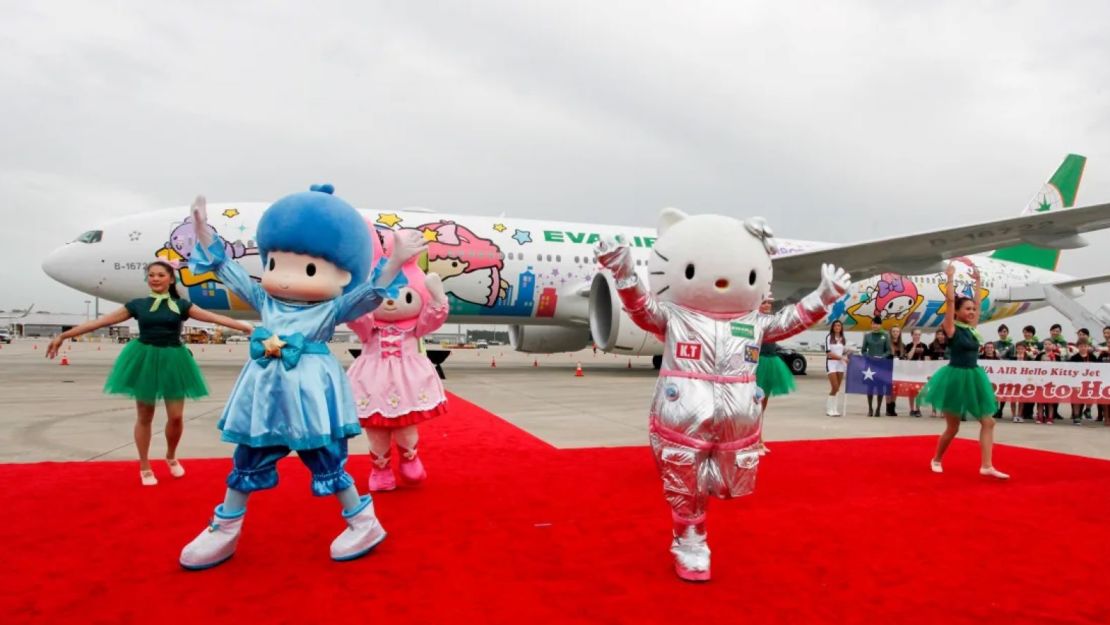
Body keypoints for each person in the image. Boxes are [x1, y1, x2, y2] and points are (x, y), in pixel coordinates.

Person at [178, 188, 426, 570]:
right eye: (275, 263)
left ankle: (363, 523)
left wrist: (395, 261)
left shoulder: (333, 308)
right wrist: (203, 232)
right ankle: (225, 529)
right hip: (265, 400)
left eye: (309, 269)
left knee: (325, 458)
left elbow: (370, 294)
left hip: (310, 399)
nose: (287, 279)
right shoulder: (266, 302)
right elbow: (226, 270)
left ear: (342, 274)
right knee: (249, 455)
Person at [46, 260, 252, 486]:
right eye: (151, 275)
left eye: (160, 275)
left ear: (171, 279)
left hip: (174, 359)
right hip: (144, 359)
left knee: (176, 417)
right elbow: (99, 322)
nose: (155, 278)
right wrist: (64, 336)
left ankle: (171, 456)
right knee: (145, 416)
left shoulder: (181, 305)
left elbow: (215, 318)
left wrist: (250, 328)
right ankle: (144, 465)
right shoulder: (137, 305)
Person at [346, 248, 450, 490]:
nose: (391, 302)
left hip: (407, 381)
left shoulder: (414, 326)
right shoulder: (369, 326)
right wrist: (356, 297)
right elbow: (356, 320)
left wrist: (438, 299)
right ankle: (380, 470)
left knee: (405, 425)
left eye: (404, 296)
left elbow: (431, 321)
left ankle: (409, 459)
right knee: (375, 428)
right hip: (373, 381)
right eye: (384, 297)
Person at [920, 263, 1008, 479]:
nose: (971, 312)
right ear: (957, 312)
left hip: (974, 376)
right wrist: (950, 278)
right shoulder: (951, 328)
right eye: (967, 309)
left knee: (989, 421)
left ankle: (986, 465)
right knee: (953, 428)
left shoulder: (972, 328)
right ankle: (937, 458)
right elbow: (949, 302)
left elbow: (979, 303)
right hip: (955, 378)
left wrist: (978, 282)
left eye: (973, 310)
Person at [754, 298, 797, 453]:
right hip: (758, 362)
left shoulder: (773, 320)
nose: (767, 305)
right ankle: (755, 440)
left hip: (772, 362)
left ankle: (759, 438)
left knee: (763, 405)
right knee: (754, 404)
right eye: (763, 302)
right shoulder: (753, 320)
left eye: (768, 303)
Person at [861, 314, 892, 417]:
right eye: (874, 324)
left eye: (877, 324)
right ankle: (870, 408)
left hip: (881, 365)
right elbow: (863, 350)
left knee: (880, 388)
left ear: (880, 325)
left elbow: (888, 350)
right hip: (870, 365)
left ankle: (878, 409)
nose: (875, 326)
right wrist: (868, 356)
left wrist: (882, 357)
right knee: (870, 388)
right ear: (871, 325)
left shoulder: (885, 336)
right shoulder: (867, 336)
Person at [1068, 339, 1096, 425]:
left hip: (1089, 381)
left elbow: (1098, 368)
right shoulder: (1074, 357)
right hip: (1077, 381)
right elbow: (1070, 370)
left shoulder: (1093, 357)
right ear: (1078, 347)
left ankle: (1086, 410)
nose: (1083, 348)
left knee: (1089, 397)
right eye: (1081, 346)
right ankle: (1076, 416)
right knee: (1076, 399)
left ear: (1088, 347)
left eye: (1085, 346)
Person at [825, 320, 849, 417]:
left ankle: (834, 409)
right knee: (834, 386)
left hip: (840, 364)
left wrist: (847, 355)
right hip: (831, 363)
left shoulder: (843, 338)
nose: (837, 327)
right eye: (835, 325)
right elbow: (828, 353)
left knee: (837, 388)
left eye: (839, 326)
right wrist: (841, 357)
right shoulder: (829, 337)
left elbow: (843, 352)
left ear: (841, 327)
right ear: (833, 327)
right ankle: (829, 409)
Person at [1036, 340, 1062, 424]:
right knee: (1040, 400)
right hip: (1041, 380)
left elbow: (1060, 368)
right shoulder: (1040, 355)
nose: (1047, 345)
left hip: (1052, 380)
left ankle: (1050, 417)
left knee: (1050, 400)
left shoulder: (1057, 356)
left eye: (1049, 344)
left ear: (1053, 346)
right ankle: (1040, 416)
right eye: (1045, 344)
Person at [904, 328, 928, 417]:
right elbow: (909, 357)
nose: (917, 336)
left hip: (921, 371)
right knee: (911, 391)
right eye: (915, 334)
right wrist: (914, 346)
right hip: (911, 371)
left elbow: (927, 358)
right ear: (912, 335)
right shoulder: (908, 345)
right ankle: (911, 409)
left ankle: (918, 408)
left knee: (919, 391)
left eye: (918, 334)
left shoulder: (924, 346)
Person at [1011, 342, 1036, 423]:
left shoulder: (1029, 358)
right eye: (1018, 348)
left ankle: (1020, 415)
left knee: (1021, 399)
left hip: (1024, 381)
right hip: (1013, 381)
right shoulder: (1012, 358)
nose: (1020, 350)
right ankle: (1014, 415)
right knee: (1013, 399)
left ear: (1025, 349)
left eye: (1022, 348)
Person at [885, 325, 905, 416]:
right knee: (888, 389)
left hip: (898, 369)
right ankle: (888, 408)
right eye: (894, 331)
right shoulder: (887, 343)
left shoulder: (902, 345)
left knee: (895, 389)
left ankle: (893, 407)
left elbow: (904, 356)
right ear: (891, 333)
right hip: (888, 368)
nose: (895, 333)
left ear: (899, 333)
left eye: (897, 331)